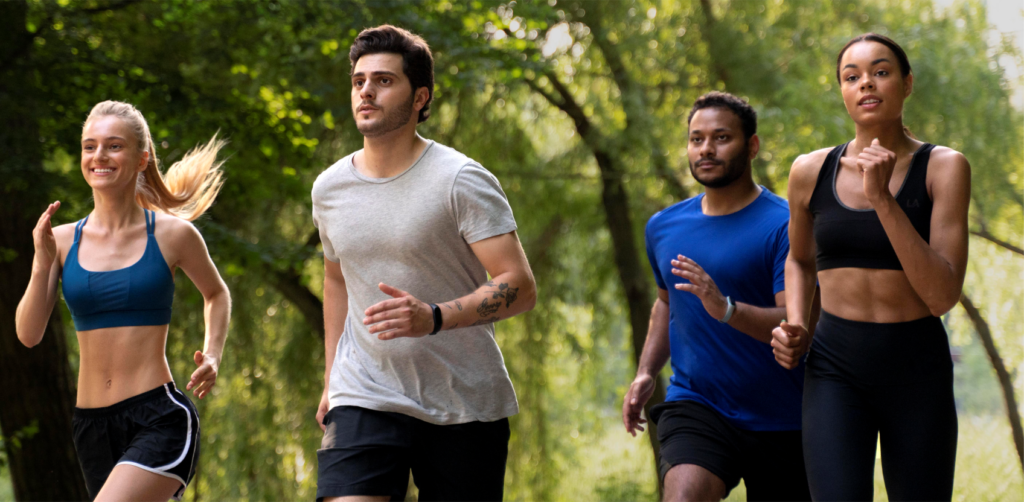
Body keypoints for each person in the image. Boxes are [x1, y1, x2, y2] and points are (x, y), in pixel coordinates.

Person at [311, 25, 537, 502]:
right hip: (365, 391)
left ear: (420, 97)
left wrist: (432, 317)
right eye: (358, 81)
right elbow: (336, 279)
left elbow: (519, 284)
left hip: (463, 401)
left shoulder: (460, 179)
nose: (366, 91)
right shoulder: (329, 188)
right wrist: (333, 378)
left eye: (383, 80)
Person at [772, 33, 970, 502]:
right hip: (834, 367)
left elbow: (942, 296)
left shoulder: (944, 167)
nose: (866, 84)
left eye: (881, 72)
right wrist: (797, 324)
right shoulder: (808, 171)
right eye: (851, 76)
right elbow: (799, 259)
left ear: (906, 84)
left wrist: (883, 199)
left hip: (916, 366)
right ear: (841, 91)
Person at [15, 100, 231, 501]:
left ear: (141, 158)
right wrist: (42, 263)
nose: (99, 156)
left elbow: (216, 294)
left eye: (113, 146)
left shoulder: (172, 235)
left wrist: (214, 354)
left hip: (159, 417)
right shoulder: (60, 241)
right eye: (89, 146)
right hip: (91, 426)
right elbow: (28, 334)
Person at [623, 91, 814, 502]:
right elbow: (666, 303)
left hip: (785, 417)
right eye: (696, 139)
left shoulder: (785, 225)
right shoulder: (663, 226)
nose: (706, 148)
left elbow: (793, 323)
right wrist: (645, 371)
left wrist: (725, 308)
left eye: (721, 137)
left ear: (753, 146)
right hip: (699, 405)